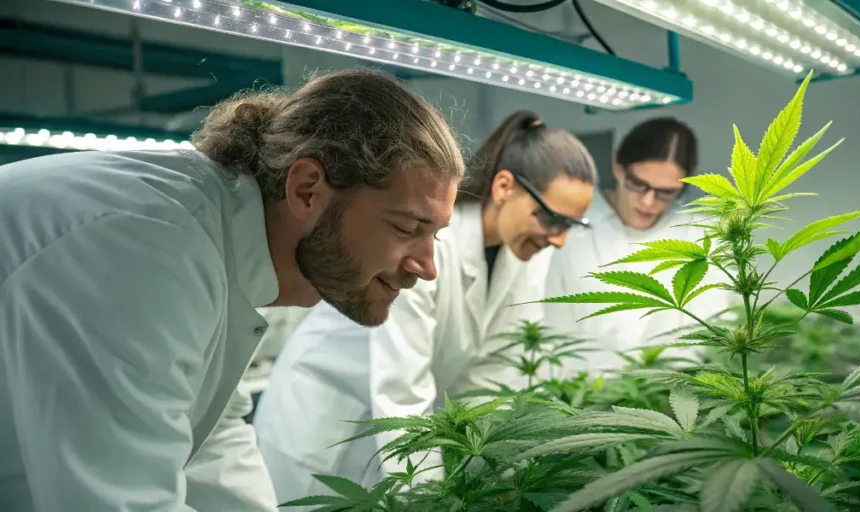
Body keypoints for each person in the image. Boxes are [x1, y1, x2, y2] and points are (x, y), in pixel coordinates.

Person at [0, 68, 464, 511]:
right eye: (407, 227)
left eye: (435, 235)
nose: (428, 268)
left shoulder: (219, 239)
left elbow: (210, 441)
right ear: (306, 190)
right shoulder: (152, 248)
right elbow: (121, 502)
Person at [253, 110, 597, 503]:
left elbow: (494, 377)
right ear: (504, 187)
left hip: (399, 433)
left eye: (571, 226)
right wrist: (432, 501)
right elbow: (401, 392)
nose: (559, 240)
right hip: (323, 422)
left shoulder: (526, 256)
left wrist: (502, 483)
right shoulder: (429, 242)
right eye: (552, 219)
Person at [544, 117, 731, 377]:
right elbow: (549, 329)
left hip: (670, 392)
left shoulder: (700, 235)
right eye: (638, 184)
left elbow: (715, 330)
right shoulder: (568, 229)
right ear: (618, 167)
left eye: (666, 192)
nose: (648, 201)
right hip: (580, 391)